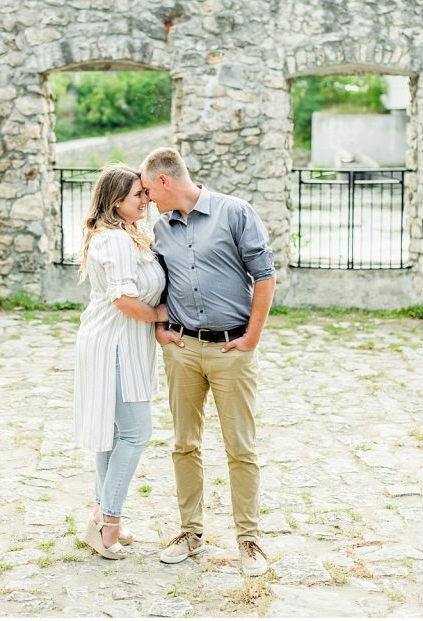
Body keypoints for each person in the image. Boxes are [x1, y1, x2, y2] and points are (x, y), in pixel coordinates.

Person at [139, 147, 276, 577]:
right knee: (184, 443)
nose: (146, 200)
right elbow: (160, 282)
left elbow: (265, 275)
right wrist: (162, 329)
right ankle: (190, 531)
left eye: (147, 189)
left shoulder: (235, 213)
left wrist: (252, 337)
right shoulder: (160, 230)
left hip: (231, 350)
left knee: (241, 446)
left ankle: (249, 540)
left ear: (164, 181)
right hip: (182, 351)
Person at [74, 165, 168, 560]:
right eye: (138, 196)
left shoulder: (128, 235)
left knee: (114, 434)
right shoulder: (113, 241)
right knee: (134, 433)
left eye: (145, 194)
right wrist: (161, 317)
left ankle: (101, 512)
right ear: (116, 202)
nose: (146, 200)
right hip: (112, 345)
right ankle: (108, 523)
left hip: (122, 343)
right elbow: (123, 300)